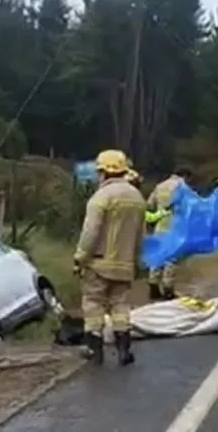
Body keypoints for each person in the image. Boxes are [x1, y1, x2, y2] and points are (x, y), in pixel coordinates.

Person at [73, 149, 146, 366]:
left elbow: (90, 232)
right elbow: (141, 235)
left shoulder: (101, 197)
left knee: (93, 304)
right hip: (125, 264)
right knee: (120, 306)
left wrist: (80, 257)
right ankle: (124, 350)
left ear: (104, 172)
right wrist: (136, 260)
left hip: (98, 262)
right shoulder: (137, 197)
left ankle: (95, 351)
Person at [146, 165, 194, 301]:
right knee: (171, 260)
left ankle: (153, 287)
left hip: (160, 226)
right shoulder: (184, 189)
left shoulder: (160, 186)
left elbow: (150, 204)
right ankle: (168, 289)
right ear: (185, 176)